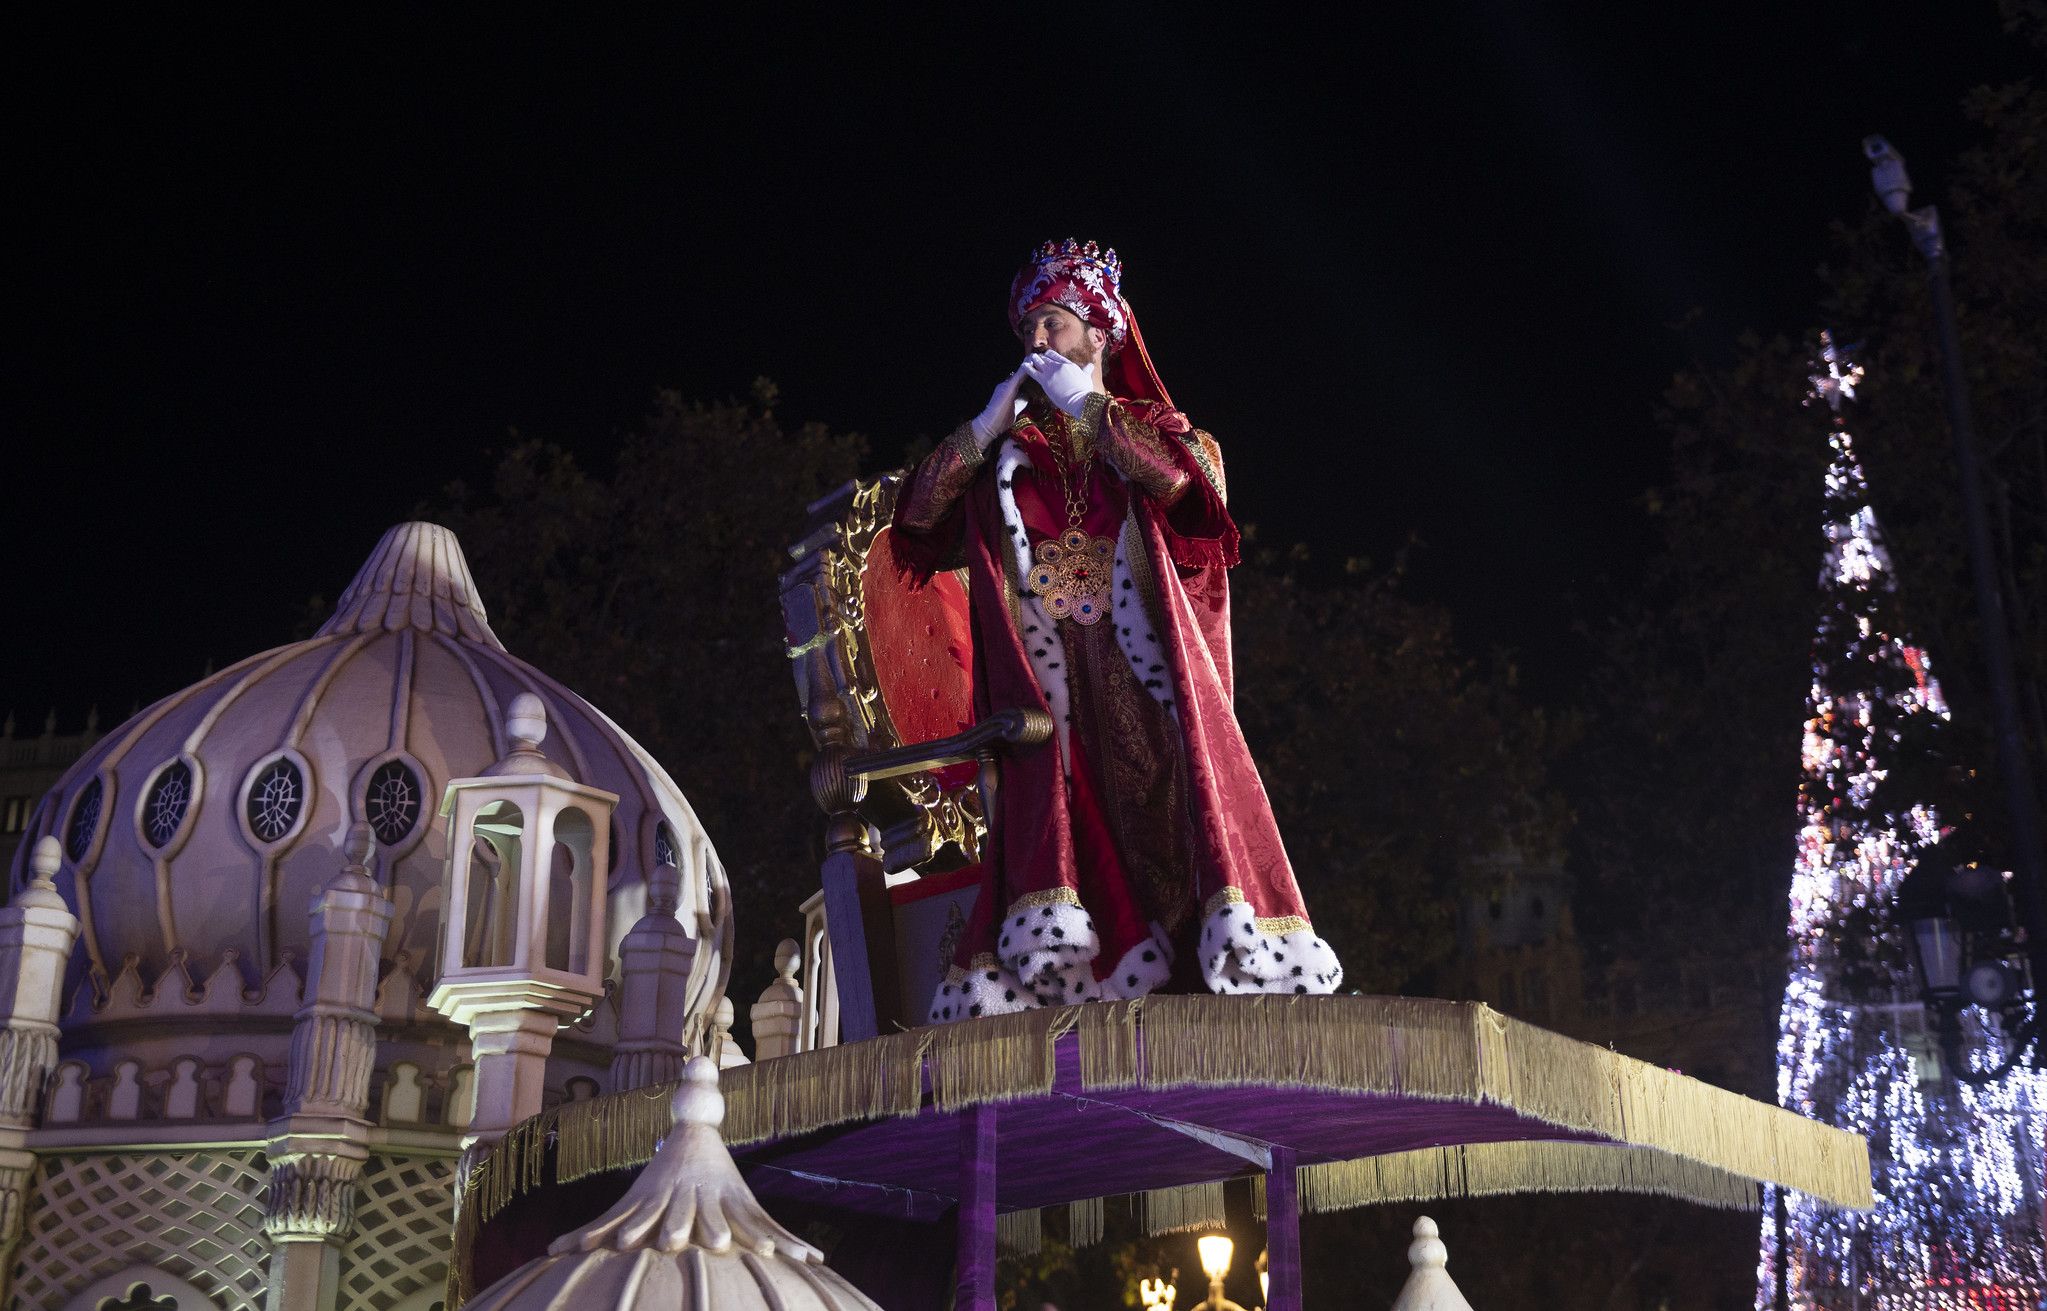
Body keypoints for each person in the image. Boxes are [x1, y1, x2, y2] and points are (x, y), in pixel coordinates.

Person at [893, 239, 1343, 1021]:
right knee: (1076, 842)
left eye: (1054, 324)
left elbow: (1188, 494)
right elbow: (918, 523)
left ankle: (1201, 1000)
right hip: (1052, 695)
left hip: (1149, 684)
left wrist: (1092, 411)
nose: (1037, 342)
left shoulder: (1169, 436)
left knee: (1172, 830)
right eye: (1028, 327)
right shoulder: (1005, 457)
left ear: (1099, 334)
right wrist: (980, 426)